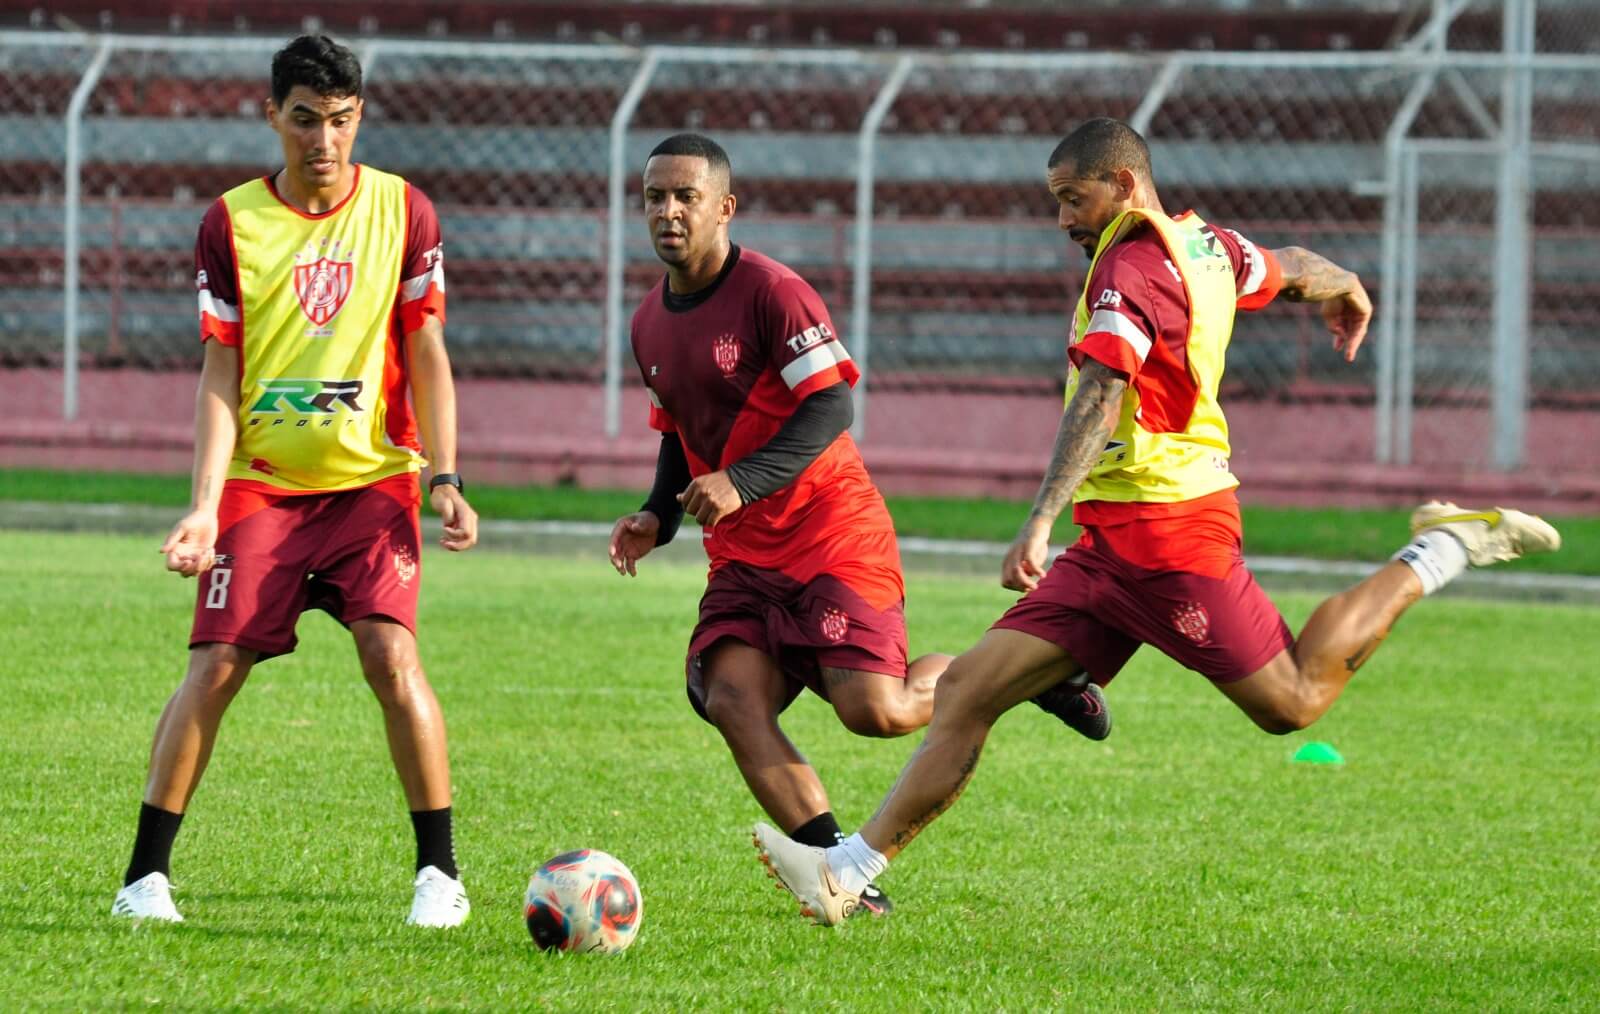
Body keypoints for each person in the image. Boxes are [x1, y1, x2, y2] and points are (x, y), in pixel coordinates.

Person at [753, 117, 1561, 924]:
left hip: (1169, 535)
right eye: (1056, 201)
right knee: (966, 689)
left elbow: (1104, 394)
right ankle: (845, 874)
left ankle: (1442, 544)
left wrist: (1038, 521)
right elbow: (1293, 268)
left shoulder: (1130, 269)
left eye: (1075, 198)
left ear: (1125, 186)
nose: (1063, 218)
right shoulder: (1206, 245)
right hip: (1111, 541)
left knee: (1293, 700)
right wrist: (1345, 281)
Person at [607, 133, 1110, 917]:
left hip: (830, 531)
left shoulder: (774, 293)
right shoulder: (647, 323)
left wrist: (741, 482)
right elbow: (680, 432)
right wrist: (655, 516)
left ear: (724, 209)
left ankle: (1024, 675)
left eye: (685, 197)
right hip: (744, 556)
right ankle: (844, 879)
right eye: (653, 198)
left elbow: (831, 406)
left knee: (875, 713)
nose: (667, 212)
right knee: (728, 697)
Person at [111, 35, 478, 928]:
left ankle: (440, 875)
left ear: (361, 118)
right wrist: (203, 507)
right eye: (306, 119)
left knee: (393, 658)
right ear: (272, 115)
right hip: (263, 486)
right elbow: (219, 373)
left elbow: (427, 350)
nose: (325, 139)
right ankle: (144, 880)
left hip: (373, 484)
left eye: (342, 121)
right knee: (217, 663)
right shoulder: (231, 222)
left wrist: (446, 477)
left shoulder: (405, 211)